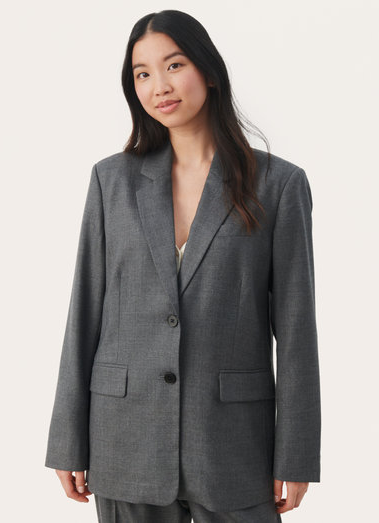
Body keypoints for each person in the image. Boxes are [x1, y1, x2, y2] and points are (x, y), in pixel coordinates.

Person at [45, 9, 321, 523]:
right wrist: (67, 439)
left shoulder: (278, 185)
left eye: (174, 65)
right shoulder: (111, 181)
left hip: (234, 447)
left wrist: (297, 454)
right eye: (142, 74)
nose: (159, 86)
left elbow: (296, 331)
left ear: (208, 71)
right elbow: (83, 314)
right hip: (124, 439)